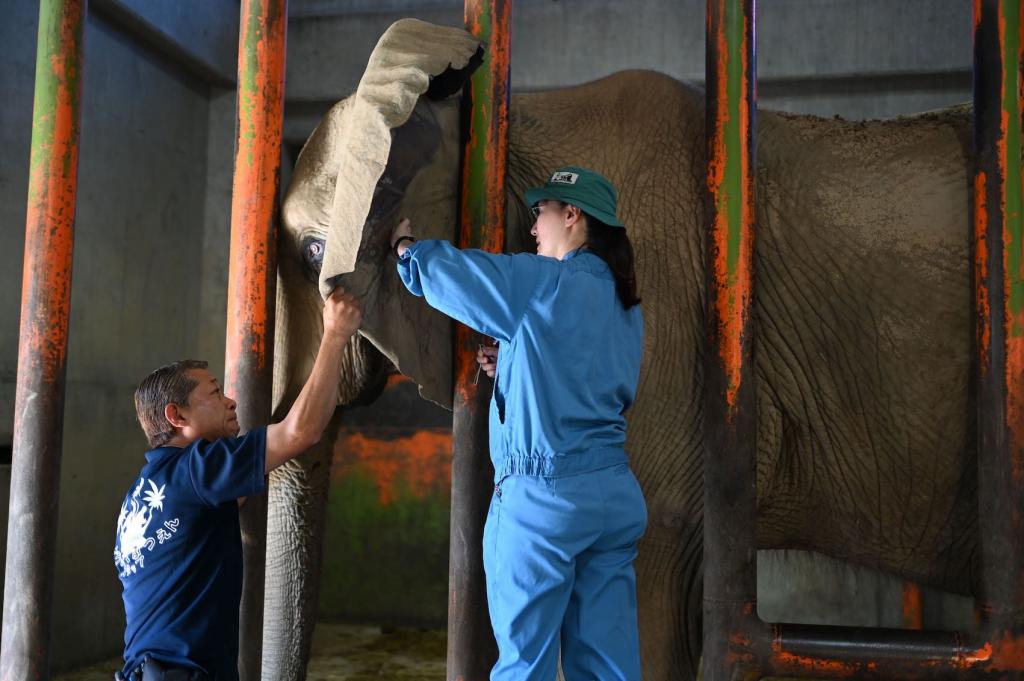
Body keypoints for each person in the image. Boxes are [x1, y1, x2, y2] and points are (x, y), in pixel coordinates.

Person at [390, 166, 647, 680]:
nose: (533, 230)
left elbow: (460, 277)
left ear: (573, 215)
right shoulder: (626, 305)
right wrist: (513, 359)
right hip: (612, 498)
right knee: (607, 666)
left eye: (541, 214)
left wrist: (406, 251)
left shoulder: (541, 281)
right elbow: (582, 374)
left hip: (543, 504)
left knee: (522, 667)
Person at [113, 288, 362, 681]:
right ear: (176, 415)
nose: (231, 401)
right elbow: (303, 432)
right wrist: (334, 336)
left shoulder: (141, 495)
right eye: (215, 393)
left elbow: (242, 490)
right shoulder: (195, 470)